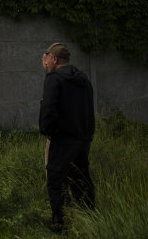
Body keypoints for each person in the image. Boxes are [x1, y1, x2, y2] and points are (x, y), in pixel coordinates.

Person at [39, 43, 95, 233]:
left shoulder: (54, 79)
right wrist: (87, 136)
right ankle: (89, 220)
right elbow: (89, 110)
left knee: (56, 181)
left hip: (62, 140)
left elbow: (48, 110)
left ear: (54, 59)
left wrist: (48, 131)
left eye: (46, 57)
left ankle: (61, 225)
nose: (44, 61)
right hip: (83, 140)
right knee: (81, 179)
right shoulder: (84, 79)